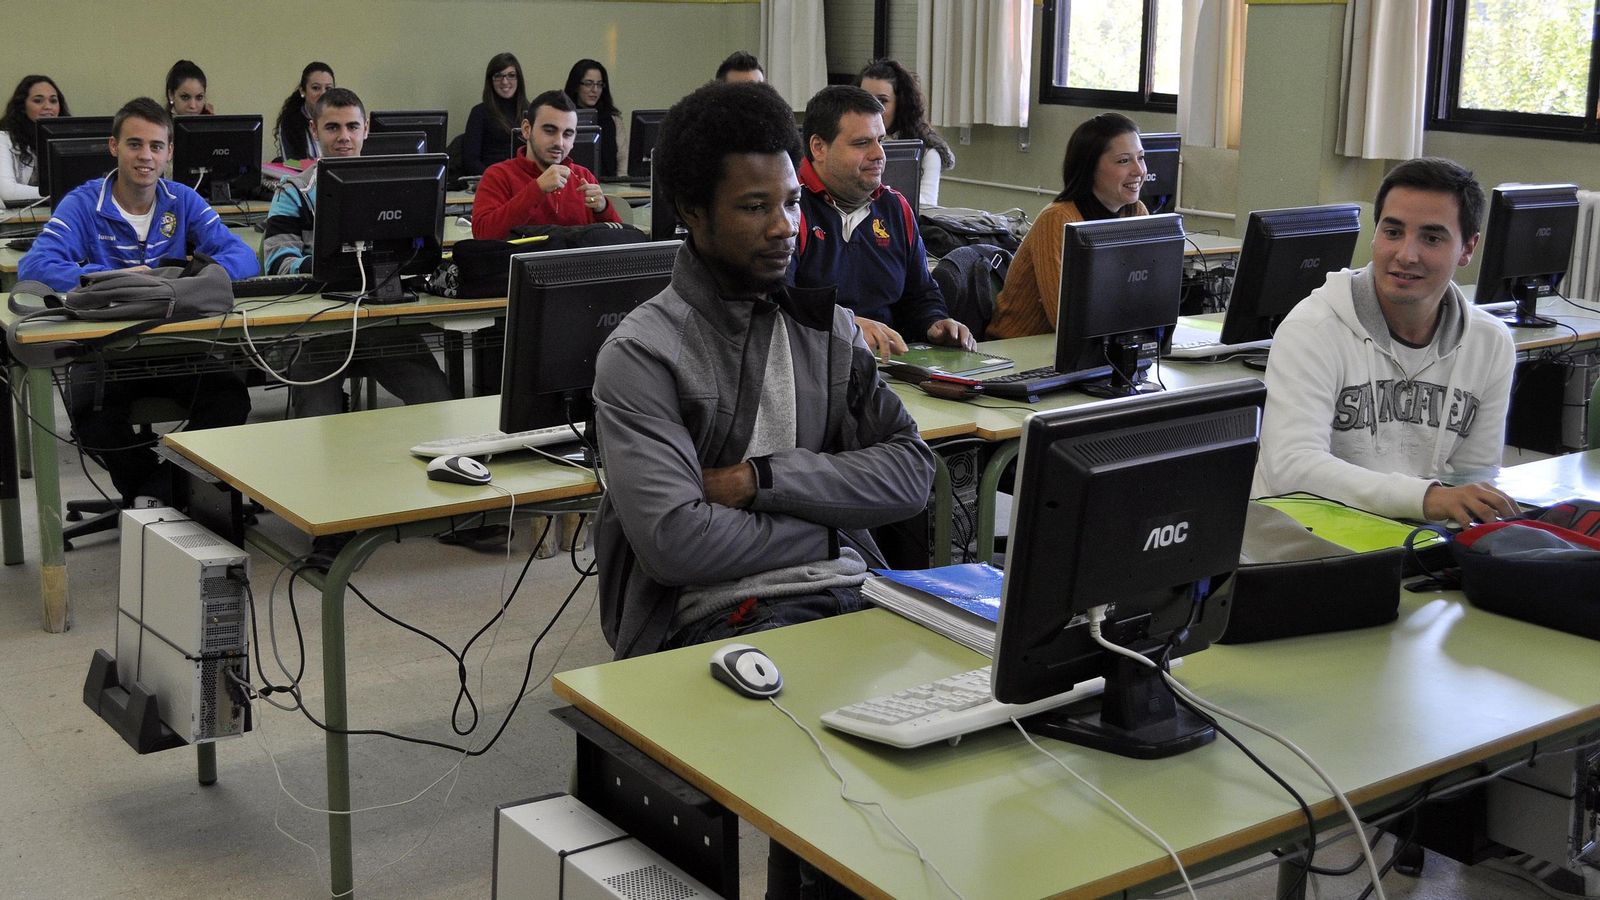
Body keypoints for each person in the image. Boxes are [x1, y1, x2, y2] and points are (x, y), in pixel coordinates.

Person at [593, 80, 932, 896]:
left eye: (789, 202)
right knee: (833, 784)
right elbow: (677, 543)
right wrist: (825, 525)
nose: (785, 226)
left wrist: (763, 481)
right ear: (693, 212)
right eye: (755, 207)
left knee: (958, 733)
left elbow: (914, 473)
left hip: (849, 590)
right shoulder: (644, 354)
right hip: (708, 616)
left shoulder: (826, 326)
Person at [1253, 157, 1519, 525]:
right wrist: (1425, 499)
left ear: (1467, 248)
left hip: (1419, 540)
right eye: (1393, 232)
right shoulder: (1312, 329)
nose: (1406, 255)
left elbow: (1474, 477)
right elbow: (1292, 468)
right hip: (1307, 543)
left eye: (1432, 237)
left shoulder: (1491, 342)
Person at [18, 97, 257, 504]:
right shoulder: (84, 202)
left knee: (230, 399)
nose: (145, 156)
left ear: (169, 153)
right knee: (94, 421)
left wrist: (182, 279)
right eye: (134, 144)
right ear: (114, 147)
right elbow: (35, 267)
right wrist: (111, 279)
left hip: (175, 346)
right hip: (104, 351)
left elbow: (244, 258)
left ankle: (155, 497)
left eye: (156, 146)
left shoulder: (181, 200)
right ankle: (169, 498)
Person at [262, 87, 452, 418]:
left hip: (383, 321)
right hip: (319, 328)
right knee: (316, 418)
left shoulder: (397, 185)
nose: (344, 137)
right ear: (314, 131)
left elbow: (421, 250)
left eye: (352, 126)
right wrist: (332, 266)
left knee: (435, 399)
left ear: (366, 129)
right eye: (332, 127)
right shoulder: (294, 191)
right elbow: (277, 262)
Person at [790, 85, 973, 359]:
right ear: (818, 147)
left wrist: (934, 322)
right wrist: (845, 325)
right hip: (814, 365)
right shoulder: (787, 209)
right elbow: (779, 306)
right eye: (862, 143)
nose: (879, 154)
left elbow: (920, 294)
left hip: (888, 366)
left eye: (881, 141)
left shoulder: (895, 208)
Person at [985, 112, 1150, 340]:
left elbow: (1143, 293)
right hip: (1020, 350)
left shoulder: (1136, 212)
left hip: (1094, 350)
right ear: (1090, 167)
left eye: (1141, 157)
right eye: (1124, 161)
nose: (1139, 171)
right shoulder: (1059, 219)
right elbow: (1064, 317)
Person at [470, 90, 620, 240]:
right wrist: (537, 189)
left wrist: (603, 209)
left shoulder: (583, 176)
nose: (559, 143)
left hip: (574, 263)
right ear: (526, 130)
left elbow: (620, 242)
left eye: (567, 134)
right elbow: (483, 236)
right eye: (549, 131)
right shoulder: (498, 175)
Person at [854, 58, 953, 208]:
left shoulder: (927, 152)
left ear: (900, 104)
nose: (871, 109)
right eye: (864, 99)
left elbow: (925, 205)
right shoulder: (844, 143)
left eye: (882, 101)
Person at [0, 75, 68, 205]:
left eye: (53, 101)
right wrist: (66, 193)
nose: (48, 106)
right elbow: (8, 192)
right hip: (14, 222)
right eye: (38, 101)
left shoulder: (66, 139)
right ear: (22, 107)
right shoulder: (3, 139)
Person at [461, 52, 527, 176]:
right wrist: (494, 179)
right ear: (490, 81)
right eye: (498, 76)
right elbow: (471, 161)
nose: (505, 81)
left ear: (519, 79)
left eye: (511, 75)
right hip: (493, 181)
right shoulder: (479, 113)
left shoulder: (531, 112)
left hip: (525, 180)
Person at [562, 58, 625, 177]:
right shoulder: (563, 117)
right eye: (588, 83)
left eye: (599, 84)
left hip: (610, 186)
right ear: (576, 86)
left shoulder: (613, 119)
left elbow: (622, 160)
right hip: (569, 183)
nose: (595, 90)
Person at [273, 61, 335, 163]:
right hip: (305, 177)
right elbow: (291, 164)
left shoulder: (342, 119)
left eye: (328, 88)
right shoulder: (290, 122)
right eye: (316, 88)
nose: (323, 94)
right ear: (302, 91)